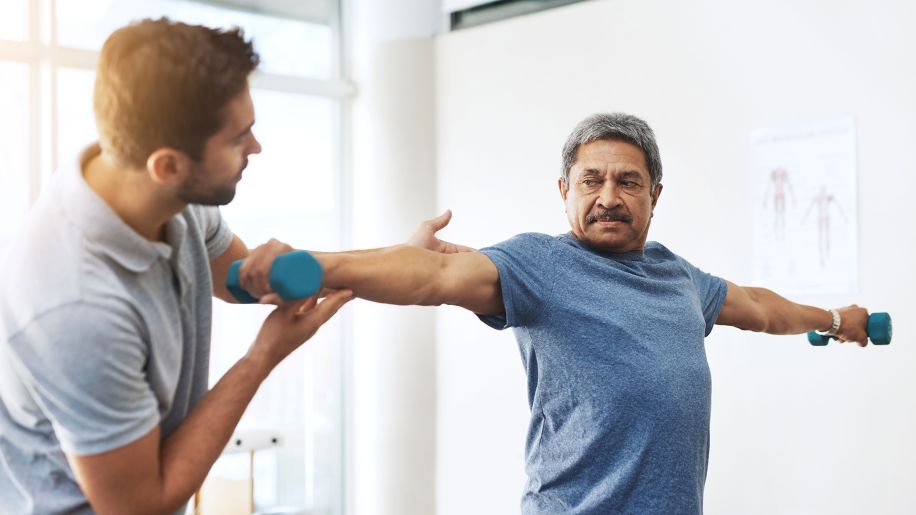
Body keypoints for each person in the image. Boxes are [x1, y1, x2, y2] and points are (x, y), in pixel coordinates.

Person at [310, 113, 872, 514]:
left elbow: (757, 307)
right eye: (591, 180)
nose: (609, 196)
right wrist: (310, 267)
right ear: (564, 190)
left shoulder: (677, 277)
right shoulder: (538, 264)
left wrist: (835, 320)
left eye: (628, 181)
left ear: (655, 194)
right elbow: (435, 277)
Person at [0, 19, 359, 514]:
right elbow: (141, 506)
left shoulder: (175, 202)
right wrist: (260, 359)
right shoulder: (74, 304)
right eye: (239, 138)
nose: (256, 148)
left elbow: (240, 282)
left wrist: (400, 258)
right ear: (167, 166)